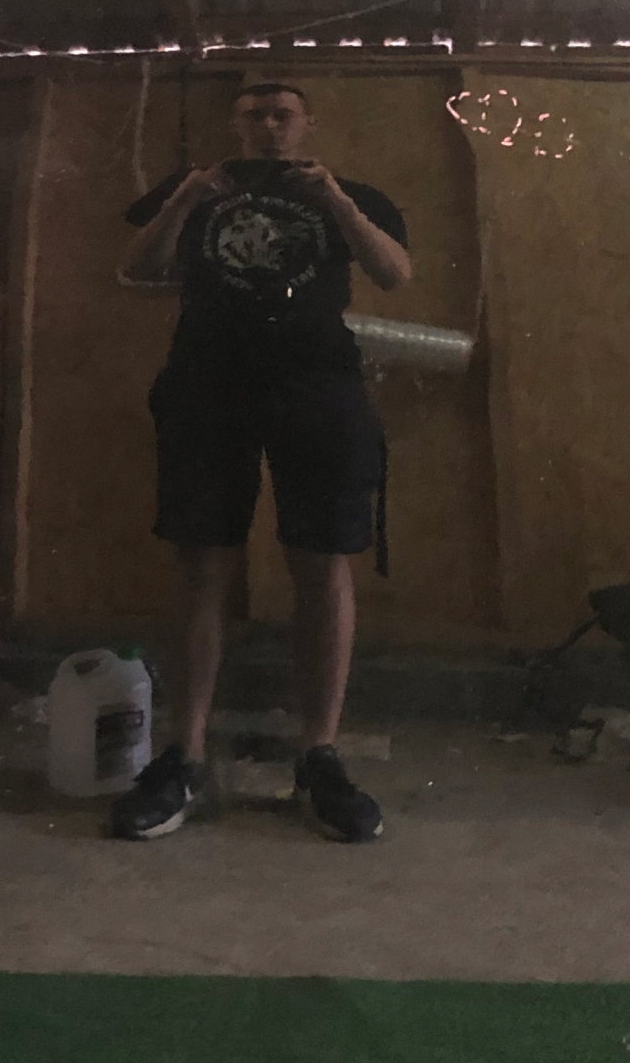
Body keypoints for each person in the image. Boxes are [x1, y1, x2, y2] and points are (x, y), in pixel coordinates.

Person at [108, 82, 413, 843]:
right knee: (200, 563)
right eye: (254, 115)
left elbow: (394, 273)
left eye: (282, 115)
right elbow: (135, 271)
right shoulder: (193, 190)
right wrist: (186, 198)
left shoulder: (352, 193)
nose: (269, 126)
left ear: (307, 123)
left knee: (324, 561)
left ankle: (320, 757)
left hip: (319, 384)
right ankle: (186, 756)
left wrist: (336, 201)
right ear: (235, 124)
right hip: (207, 384)